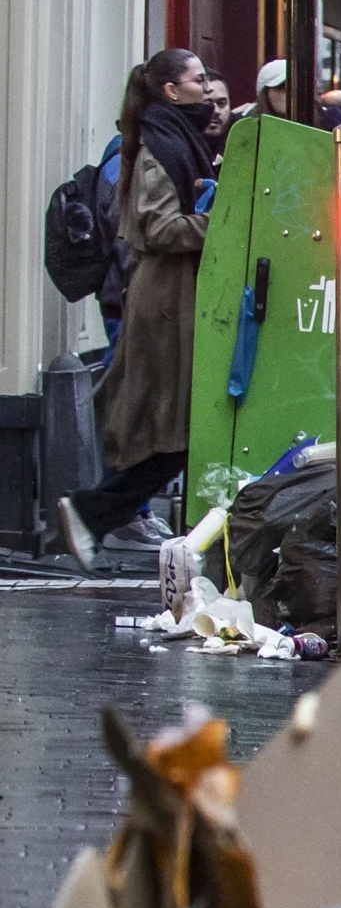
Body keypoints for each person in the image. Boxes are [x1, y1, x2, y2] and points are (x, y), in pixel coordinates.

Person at [58, 50, 213, 560]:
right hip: (167, 301)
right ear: (171, 91)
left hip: (179, 296)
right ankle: (93, 510)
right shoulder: (158, 146)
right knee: (180, 431)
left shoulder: (177, 140)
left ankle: (100, 512)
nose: (208, 88)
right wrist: (223, 224)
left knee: (182, 431)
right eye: (199, 79)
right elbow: (159, 228)